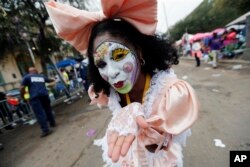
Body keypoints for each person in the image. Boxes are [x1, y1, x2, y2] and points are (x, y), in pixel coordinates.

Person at [45, 0, 199, 166]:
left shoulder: (171, 91)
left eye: (118, 56)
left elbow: (156, 147)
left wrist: (138, 118)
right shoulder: (109, 92)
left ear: (138, 50)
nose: (111, 72)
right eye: (101, 64)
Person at [20, 67, 56, 138]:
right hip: (44, 95)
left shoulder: (27, 77)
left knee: (39, 113)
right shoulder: (41, 76)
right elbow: (50, 80)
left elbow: (21, 88)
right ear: (36, 71)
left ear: (29, 72)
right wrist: (53, 81)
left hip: (35, 97)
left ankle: (46, 130)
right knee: (48, 110)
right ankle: (52, 123)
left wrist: (23, 96)